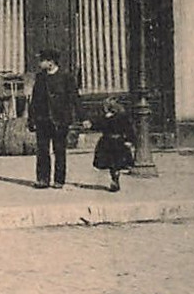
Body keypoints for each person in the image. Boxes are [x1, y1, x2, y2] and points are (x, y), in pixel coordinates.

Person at [26, 48, 78, 189]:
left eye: (42, 60)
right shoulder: (40, 78)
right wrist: (31, 119)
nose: (39, 63)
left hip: (60, 121)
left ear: (50, 62)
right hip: (42, 120)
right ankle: (42, 179)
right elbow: (34, 100)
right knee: (42, 150)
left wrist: (80, 118)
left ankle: (59, 180)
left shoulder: (66, 77)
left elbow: (74, 99)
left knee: (59, 150)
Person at [90, 96, 136, 192]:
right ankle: (115, 178)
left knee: (112, 163)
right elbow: (129, 129)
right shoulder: (122, 116)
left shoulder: (108, 118)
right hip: (118, 142)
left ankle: (114, 179)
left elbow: (98, 126)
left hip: (107, 142)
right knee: (116, 163)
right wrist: (129, 140)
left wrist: (92, 125)